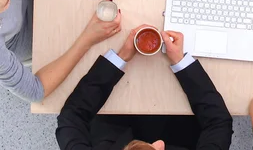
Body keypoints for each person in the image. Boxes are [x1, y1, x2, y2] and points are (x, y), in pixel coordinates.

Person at [56, 29, 233, 150]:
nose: (160, 144)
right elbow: (219, 122)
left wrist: (121, 57)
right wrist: (181, 61)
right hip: (179, 127)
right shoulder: (163, 143)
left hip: (112, 123)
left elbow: (71, 117)